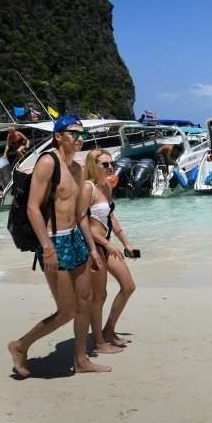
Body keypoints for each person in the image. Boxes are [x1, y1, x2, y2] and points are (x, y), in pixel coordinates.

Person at [7, 115, 109, 378]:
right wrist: (47, 248)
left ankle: (81, 360)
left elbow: (80, 215)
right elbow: (32, 208)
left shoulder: (77, 169)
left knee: (84, 302)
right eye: (74, 133)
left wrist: (94, 249)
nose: (79, 138)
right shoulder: (47, 163)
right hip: (54, 241)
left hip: (76, 238)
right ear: (59, 136)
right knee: (67, 311)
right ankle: (20, 346)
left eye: (81, 133)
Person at [83, 149, 137, 353]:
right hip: (93, 248)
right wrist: (105, 245)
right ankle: (98, 342)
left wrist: (126, 243)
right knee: (99, 295)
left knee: (129, 286)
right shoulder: (87, 188)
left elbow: (111, 218)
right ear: (92, 166)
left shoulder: (106, 187)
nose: (109, 167)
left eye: (110, 163)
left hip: (107, 244)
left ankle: (109, 330)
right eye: (104, 164)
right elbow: (82, 224)